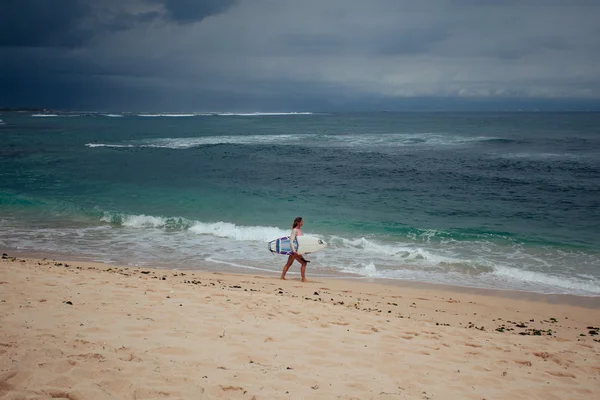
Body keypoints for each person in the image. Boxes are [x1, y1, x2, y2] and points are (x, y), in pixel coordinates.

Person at [280, 216, 308, 282]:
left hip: (296, 250)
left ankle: (282, 276)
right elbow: (291, 241)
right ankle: (303, 279)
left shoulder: (299, 230)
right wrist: (294, 251)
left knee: (289, 263)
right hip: (295, 251)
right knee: (304, 263)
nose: (302, 222)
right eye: (302, 221)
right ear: (298, 222)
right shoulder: (295, 230)